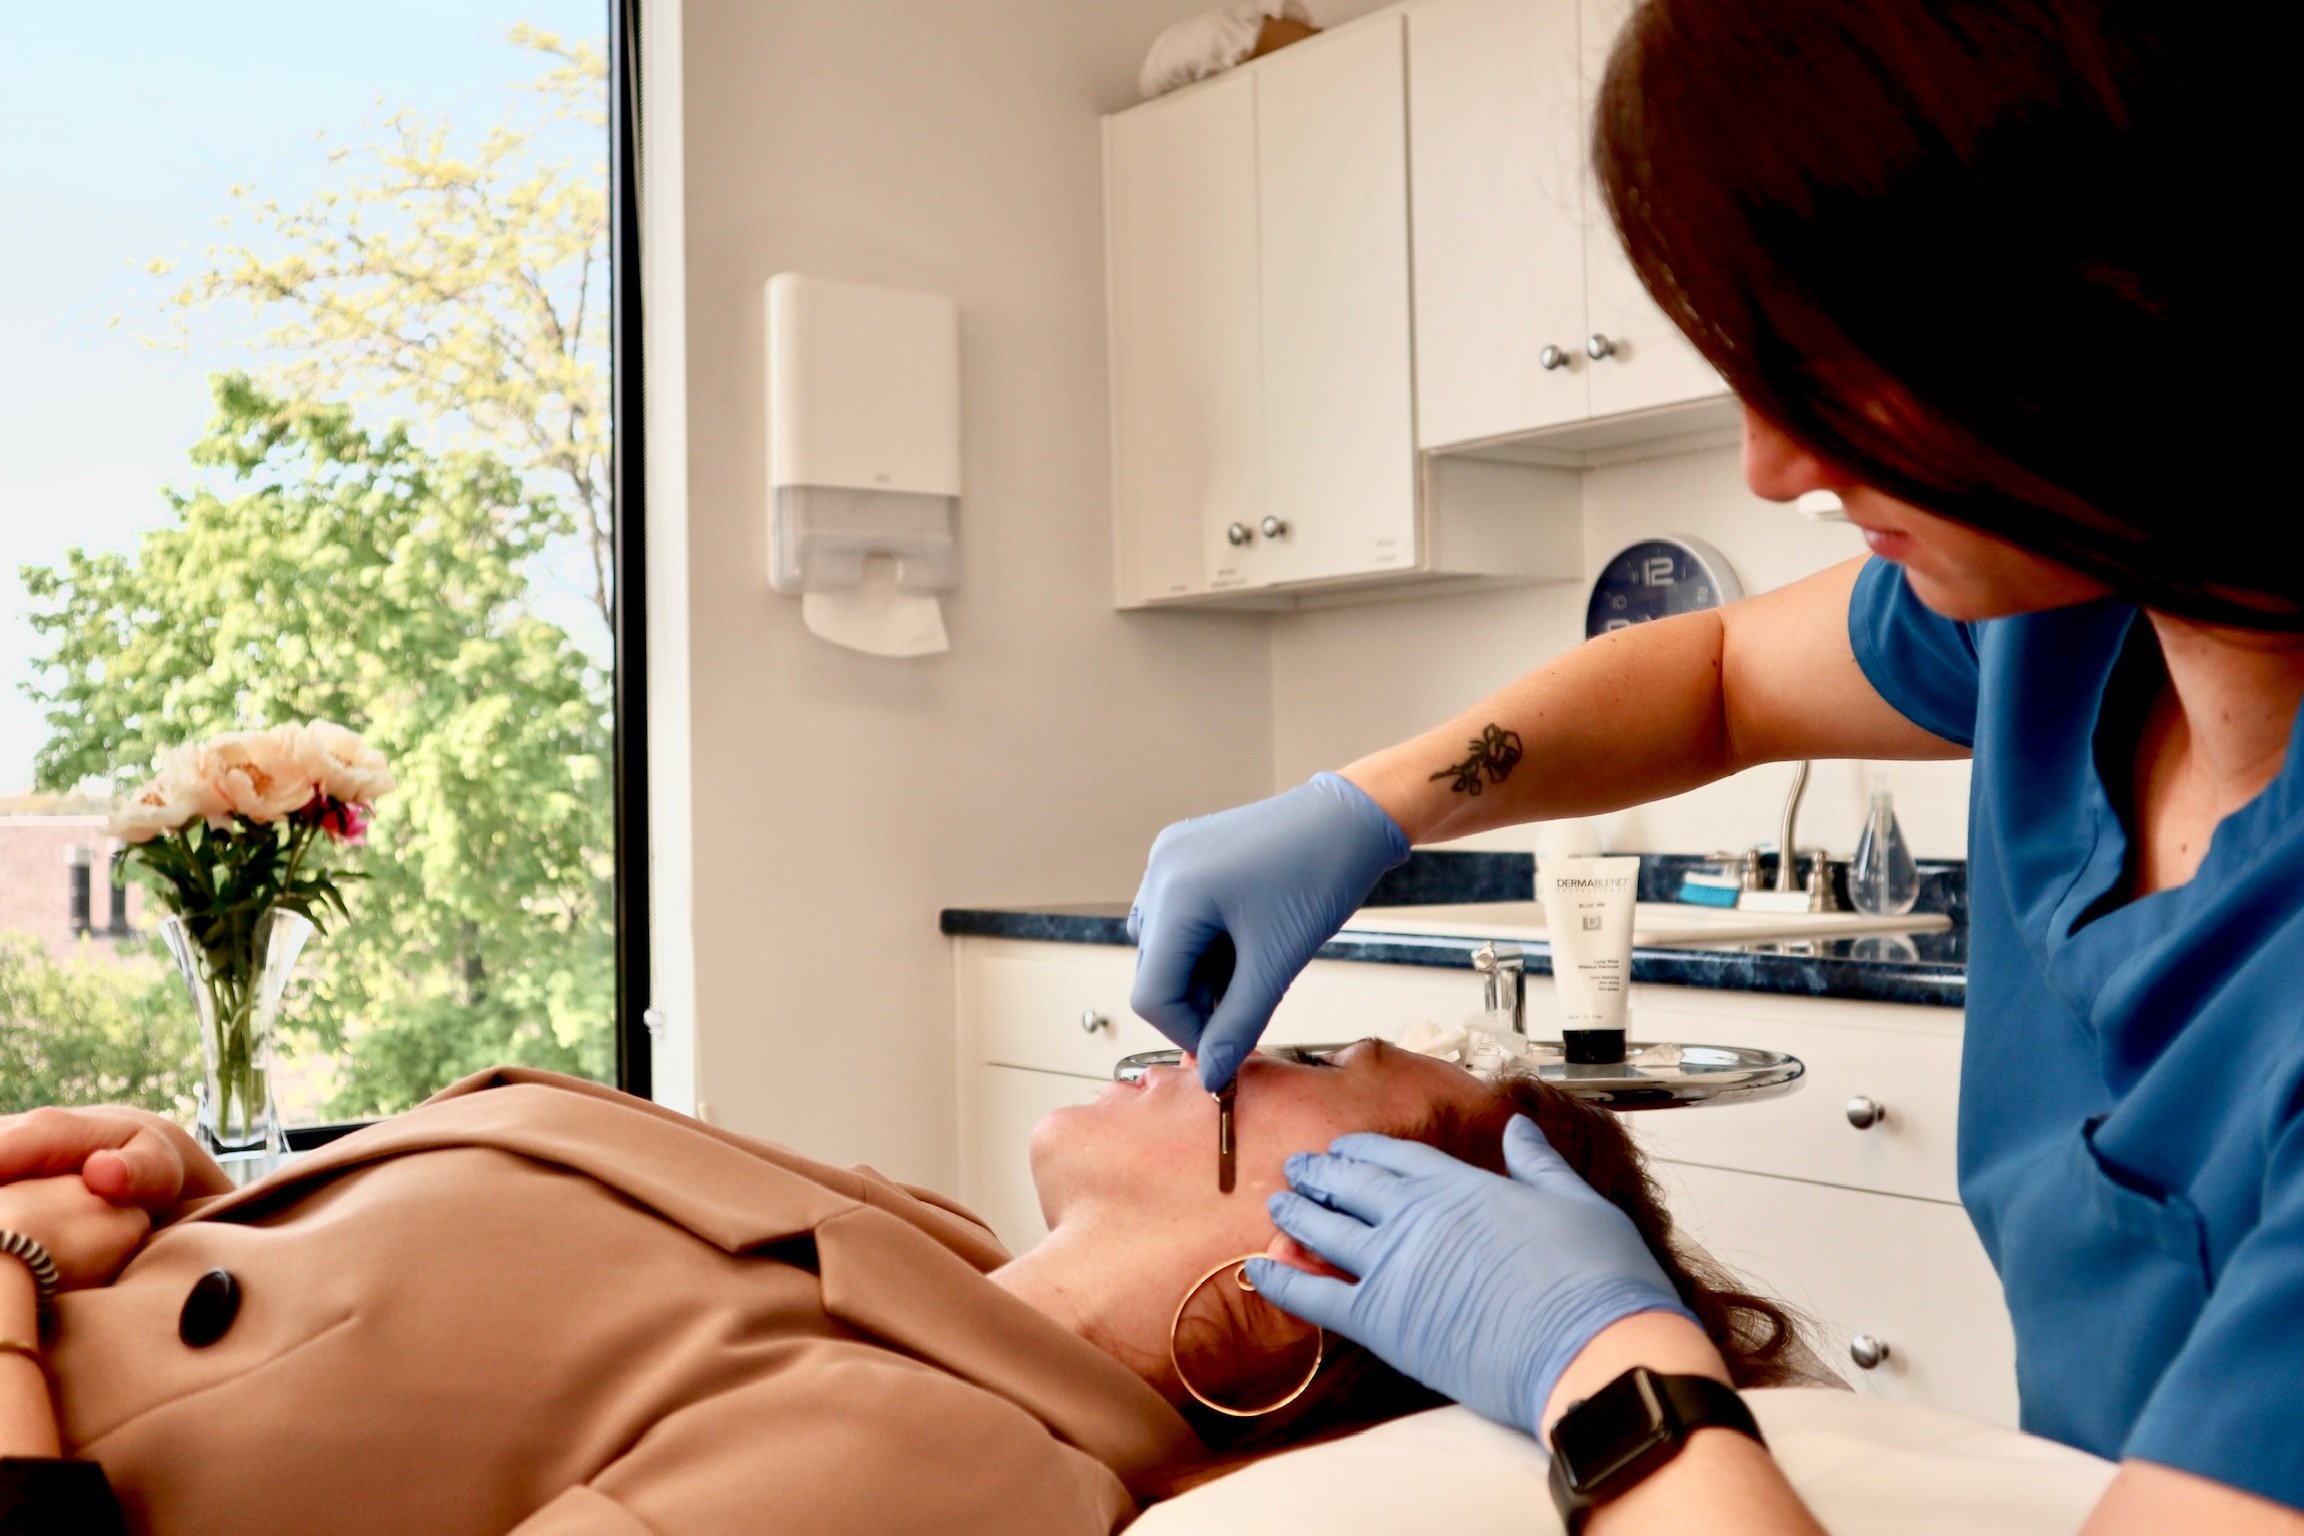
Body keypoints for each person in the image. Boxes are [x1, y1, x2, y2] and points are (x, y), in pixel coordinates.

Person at [1126, 1, 2304, 1530]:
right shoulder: (2068, 609)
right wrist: (1384, 800)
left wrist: (1611, 1371)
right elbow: (1720, 673)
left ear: (2131, 286)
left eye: (1823, 363)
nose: (1771, 466)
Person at [0, 1046, 1799, 1533]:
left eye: (1319, 1050)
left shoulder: (950, 1463)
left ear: (1313, 1270)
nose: (1207, 1026)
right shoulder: (923, 1255)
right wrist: (197, 1212)